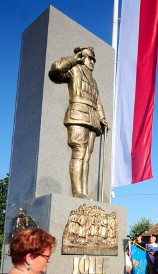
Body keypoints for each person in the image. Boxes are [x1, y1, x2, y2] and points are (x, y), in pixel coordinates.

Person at [49, 46, 109, 200]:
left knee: (87, 156)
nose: (92, 62)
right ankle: (77, 191)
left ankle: (83, 190)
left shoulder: (93, 81)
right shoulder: (74, 70)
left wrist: (102, 117)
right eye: (90, 58)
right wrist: (74, 59)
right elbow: (56, 69)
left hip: (92, 118)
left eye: (94, 60)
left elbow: (98, 102)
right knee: (79, 152)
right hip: (77, 114)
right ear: (83, 57)